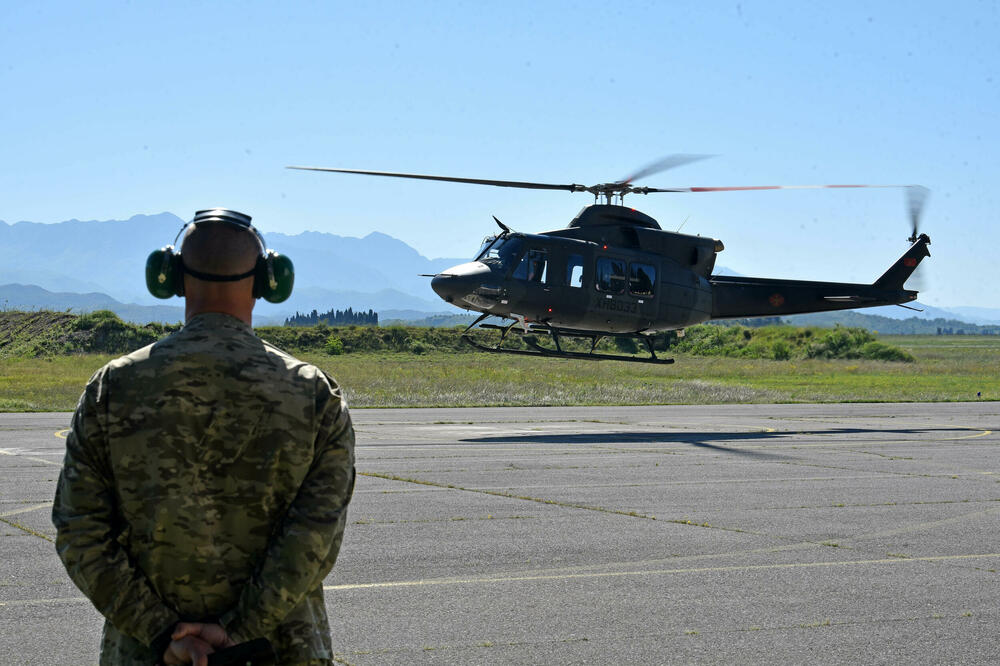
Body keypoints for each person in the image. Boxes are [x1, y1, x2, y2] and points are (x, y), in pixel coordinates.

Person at [51, 209, 356, 665]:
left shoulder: (113, 388)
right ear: (267, 281)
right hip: (279, 649)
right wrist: (238, 630)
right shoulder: (314, 394)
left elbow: (81, 532)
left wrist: (162, 633)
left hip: (149, 654)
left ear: (170, 277)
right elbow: (314, 538)